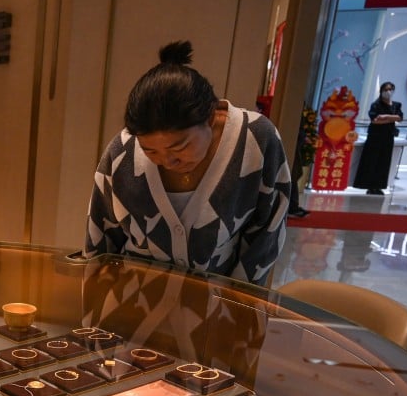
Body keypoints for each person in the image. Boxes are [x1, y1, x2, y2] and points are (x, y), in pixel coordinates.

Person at [85, 41, 290, 287]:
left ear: (211, 118)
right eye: (150, 151)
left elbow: (267, 235)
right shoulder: (122, 152)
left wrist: (238, 311)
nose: (167, 162)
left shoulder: (255, 139)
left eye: (179, 147)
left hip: (220, 306)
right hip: (132, 303)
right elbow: (99, 241)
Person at [352, 81, 403, 195]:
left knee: (384, 162)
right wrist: (391, 119)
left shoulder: (396, 105)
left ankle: (379, 186)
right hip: (375, 137)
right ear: (381, 91)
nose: (388, 92)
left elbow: (399, 118)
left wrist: (385, 116)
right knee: (372, 161)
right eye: (386, 90)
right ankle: (369, 186)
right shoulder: (376, 104)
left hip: (388, 137)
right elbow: (375, 121)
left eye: (390, 89)